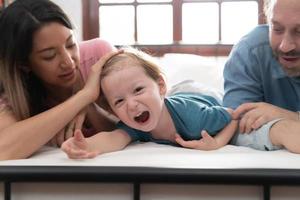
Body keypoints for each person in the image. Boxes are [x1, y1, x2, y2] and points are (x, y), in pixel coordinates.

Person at [61, 48, 238, 159]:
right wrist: (85, 145)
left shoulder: (195, 118)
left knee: (196, 89)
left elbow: (234, 115)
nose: (131, 105)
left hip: (198, 93)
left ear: (161, 86)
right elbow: (114, 138)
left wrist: (217, 143)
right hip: (170, 95)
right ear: (113, 110)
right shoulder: (135, 123)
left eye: (138, 90)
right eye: (119, 101)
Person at [0, 0, 120, 160]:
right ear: (24, 64)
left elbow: (142, 125)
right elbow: (3, 150)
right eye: (49, 56)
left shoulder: (98, 57)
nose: (68, 62)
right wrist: (84, 96)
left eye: (71, 44)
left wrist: (89, 107)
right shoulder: (13, 95)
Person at [223, 0, 300, 153]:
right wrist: (280, 130)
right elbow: (234, 126)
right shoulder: (250, 51)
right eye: (276, 29)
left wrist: (291, 117)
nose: (285, 46)